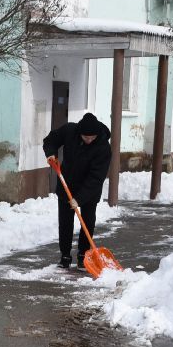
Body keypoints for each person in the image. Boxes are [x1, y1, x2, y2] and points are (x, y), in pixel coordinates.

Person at [42, 112, 113, 269]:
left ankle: (83, 255)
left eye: (91, 138)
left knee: (87, 221)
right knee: (65, 222)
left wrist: (79, 198)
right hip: (66, 182)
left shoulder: (103, 148)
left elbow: (96, 178)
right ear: (80, 132)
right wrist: (50, 153)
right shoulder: (70, 131)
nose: (88, 140)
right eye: (85, 137)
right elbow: (50, 140)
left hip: (90, 189)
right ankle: (65, 256)